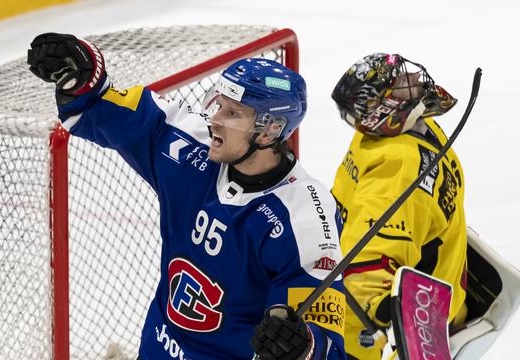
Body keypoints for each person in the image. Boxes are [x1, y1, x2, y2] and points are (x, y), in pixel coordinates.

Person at [27, 33, 346, 360]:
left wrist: (305, 343)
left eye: (232, 113)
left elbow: (323, 334)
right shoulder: (191, 146)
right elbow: (104, 108)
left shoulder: (304, 215)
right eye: (218, 105)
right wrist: (82, 80)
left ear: (270, 130)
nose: (215, 121)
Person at [329, 53, 468, 359]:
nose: (415, 78)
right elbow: (366, 264)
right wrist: (388, 322)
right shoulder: (401, 167)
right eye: (402, 82)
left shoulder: (408, 128)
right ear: (388, 108)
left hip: (437, 290)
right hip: (383, 343)